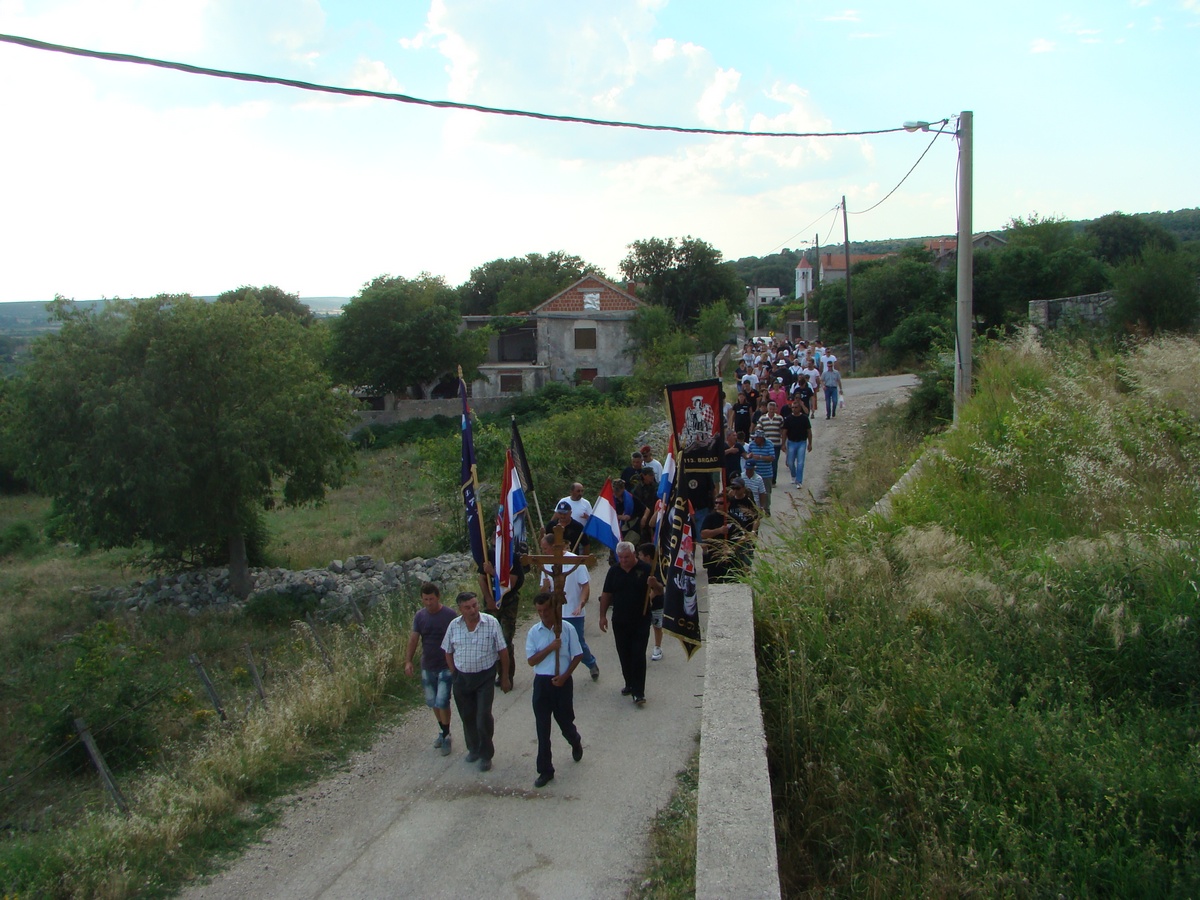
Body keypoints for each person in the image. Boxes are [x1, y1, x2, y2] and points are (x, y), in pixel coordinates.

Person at [441, 591, 511, 772]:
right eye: (467, 607)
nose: (473, 610)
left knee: (482, 718)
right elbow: (448, 651)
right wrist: (454, 673)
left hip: (485, 678)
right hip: (462, 678)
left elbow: (503, 651)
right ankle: (473, 748)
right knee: (467, 716)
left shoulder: (491, 623)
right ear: (460, 609)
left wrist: (504, 677)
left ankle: (486, 755)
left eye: (474, 605)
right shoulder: (454, 626)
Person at [525, 591, 584, 788]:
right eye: (539, 611)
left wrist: (565, 676)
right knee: (543, 729)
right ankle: (545, 769)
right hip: (542, 683)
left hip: (562, 682)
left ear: (554, 609)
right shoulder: (534, 632)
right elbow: (531, 660)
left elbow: (577, 655)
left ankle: (574, 740)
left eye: (546, 610)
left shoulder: (566, 629)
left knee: (565, 722)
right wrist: (550, 647)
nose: (543, 614)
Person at [598, 541, 662, 706]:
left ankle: (639, 692)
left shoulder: (646, 569)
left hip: (640, 619)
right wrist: (602, 616)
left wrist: (654, 585)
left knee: (638, 655)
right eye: (621, 557)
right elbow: (606, 594)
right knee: (624, 653)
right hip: (620, 620)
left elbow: (660, 590)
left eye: (627, 557)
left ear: (634, 554)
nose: (624, 560)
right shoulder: (614, 571)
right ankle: (629, 683)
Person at [404, 582, 457, 756]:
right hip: (428, 664)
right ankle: (442, 731)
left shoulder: (449, 615)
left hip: (445, 665)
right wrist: (408, 661)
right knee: (433, 701)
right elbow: (413, 639)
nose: (428, 603)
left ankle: (447, 734)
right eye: (425, 599)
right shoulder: (420, 616)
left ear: (438, 597)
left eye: (431, 599)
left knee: (443, 700)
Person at [538, 532, 599, 681]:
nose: (543, 551)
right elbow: (543, 591)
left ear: (554, 546)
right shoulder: (546, 562)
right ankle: (556, 670)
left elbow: (585, 586)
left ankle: (590, 662)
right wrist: (545, 588)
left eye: (545, 548)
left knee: (577, 643)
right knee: (555, 643)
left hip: (573, 610)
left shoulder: (574, 561)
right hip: (554, 611)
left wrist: (581, 603)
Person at [637, 542, 665, 661]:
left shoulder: (657, 568)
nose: (638, 557)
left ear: (647, 557)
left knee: (657, 625)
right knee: (641, 627)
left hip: (656, 604)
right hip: (642, 604)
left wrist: (649, 598)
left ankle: (657, 647)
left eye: (640, 555)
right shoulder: (639, 569)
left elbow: (659, 589)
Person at [782, 394, 815, 487]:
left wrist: (810, 443)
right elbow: (784, 432)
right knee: (790, 462)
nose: (794, 409)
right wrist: (783, 444)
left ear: (799, 408)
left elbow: (809, 431)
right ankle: (793, 475)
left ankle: (799, 481)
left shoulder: (804, 418)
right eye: (793, 407)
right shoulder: (788, 419)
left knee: (800, 462)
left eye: (796, 407)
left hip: (802, 442)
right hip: (791, 442)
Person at [744, 429, 775, 514]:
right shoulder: (752, 445)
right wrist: (749, 456)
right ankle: (755, 509)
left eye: (756, 438)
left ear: (761, 438)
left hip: (766, 473)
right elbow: (748, 456)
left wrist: (761, 457)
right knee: (753, 492)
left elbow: (772, 458)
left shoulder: (769, 444)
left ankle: (767, 508)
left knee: (766, 492)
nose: (754, 440)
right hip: (755, 473)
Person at [758, 400, 785, 483]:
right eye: (770, 409)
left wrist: (783, 443)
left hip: (776, 444)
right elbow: (759, 429)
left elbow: (783, 430)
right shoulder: (762, 418)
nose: (772, 411)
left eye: (773, 409)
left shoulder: (780, 418)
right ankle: (765, 478)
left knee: (774, 462)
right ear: (767, 409)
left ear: (776, 409)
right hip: (765, 444)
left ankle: (773, 480)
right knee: (765, 462)